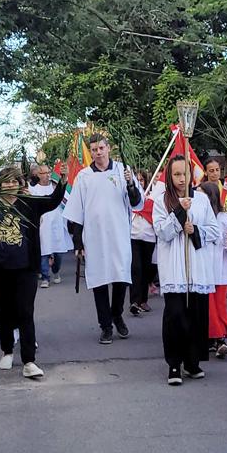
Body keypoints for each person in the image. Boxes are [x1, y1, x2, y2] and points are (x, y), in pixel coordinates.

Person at [0, 166, 67, 377]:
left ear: (21, 184)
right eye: (5, 181)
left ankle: (29, 360)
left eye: (14, 181)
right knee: (4, 312)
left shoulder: (29, 204)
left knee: (25, 311)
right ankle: (7, 350)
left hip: (26, 267)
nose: (9, 185)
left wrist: (63, 181)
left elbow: (52, 201)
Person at [63, 133, 144, 344]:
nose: (98, 153)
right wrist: (78, 242)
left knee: (120, 277)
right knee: (99, 280)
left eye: (101, 148)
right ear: (91, 152)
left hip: (119, 235)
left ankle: (117, 314)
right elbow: (77, 212)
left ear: (109, 148)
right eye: (94, 150)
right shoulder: (83, 176)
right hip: (95, 237)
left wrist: (131, 185)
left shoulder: (122, 171)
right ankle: (105, 325)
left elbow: (136, 203)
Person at [153, 155, 220, 384]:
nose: (182, 179)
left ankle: (193, 361)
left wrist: (196, 230)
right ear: (170, 177)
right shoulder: (162, 200)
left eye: (185, 174)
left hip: (196, 267)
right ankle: (174, 364)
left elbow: (215, 231)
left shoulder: (201, 200)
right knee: (176, 315)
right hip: (174, 268)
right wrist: (179, 212)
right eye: (177, 174)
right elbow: (162, 231)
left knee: (196, 316)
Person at [200, 181, 227, 358]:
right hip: (204, 269)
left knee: (219, 305)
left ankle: (220, 339)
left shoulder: (222, 218)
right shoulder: (197, 215)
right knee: (206, 307)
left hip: (219, 270)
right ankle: (209, 338)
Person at [28, 163, 72, 288]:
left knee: (58, 253)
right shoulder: (33, 190)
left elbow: (66, 200)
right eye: (43, 173)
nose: (47, 175)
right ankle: (45, 277)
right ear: (37, 175)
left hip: (56, 223)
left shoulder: (55, 187)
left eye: (48, 172)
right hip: (42, 225)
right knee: (44, 251)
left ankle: (56, 270)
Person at [130, 168, 159, 315]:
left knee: (147, 270)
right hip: (133, 236)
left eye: (142, 180)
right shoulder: (131, 195)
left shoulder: (153, 196)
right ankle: (134, 301)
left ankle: (143, 300)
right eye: (138, 180)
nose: (140, 183)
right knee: (136, 268)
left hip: (149, 237)